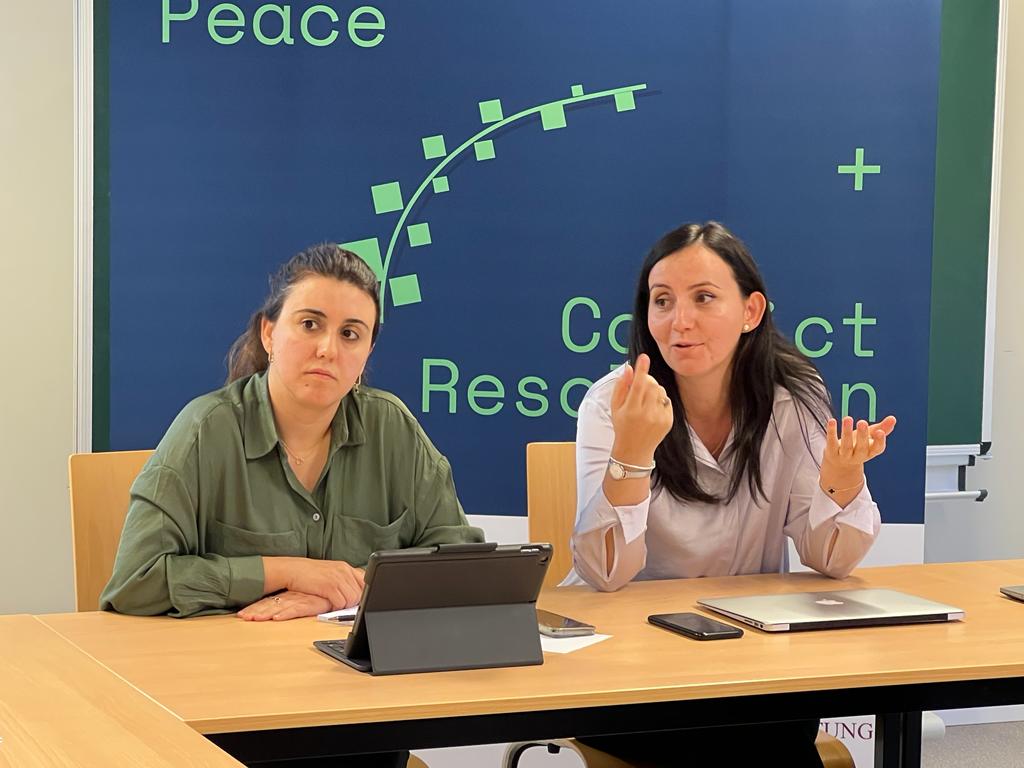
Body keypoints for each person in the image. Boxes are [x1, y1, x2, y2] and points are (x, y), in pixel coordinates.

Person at [100, 244, 482, 767]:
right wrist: (287, 571)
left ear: (367, 352)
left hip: (360, 718)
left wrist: (347, 587)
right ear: (268, 334)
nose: (328, 348)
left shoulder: (392, 428)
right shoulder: (206, 430)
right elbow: (135, 582)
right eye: (309, 324)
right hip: (231, 718)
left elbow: (462, 567)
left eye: (351, 334)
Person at [570, 222, 896, 766]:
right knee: (745, 739)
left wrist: (842, 479)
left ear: (751, 311)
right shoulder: (612, 404)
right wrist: (632, 451)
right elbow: (605, 574)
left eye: (703, 298)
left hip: (748, 659)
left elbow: (831, 561)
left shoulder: (794, 397)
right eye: (662, 301)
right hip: (630, 667)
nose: (680, 321)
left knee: (773, 724)